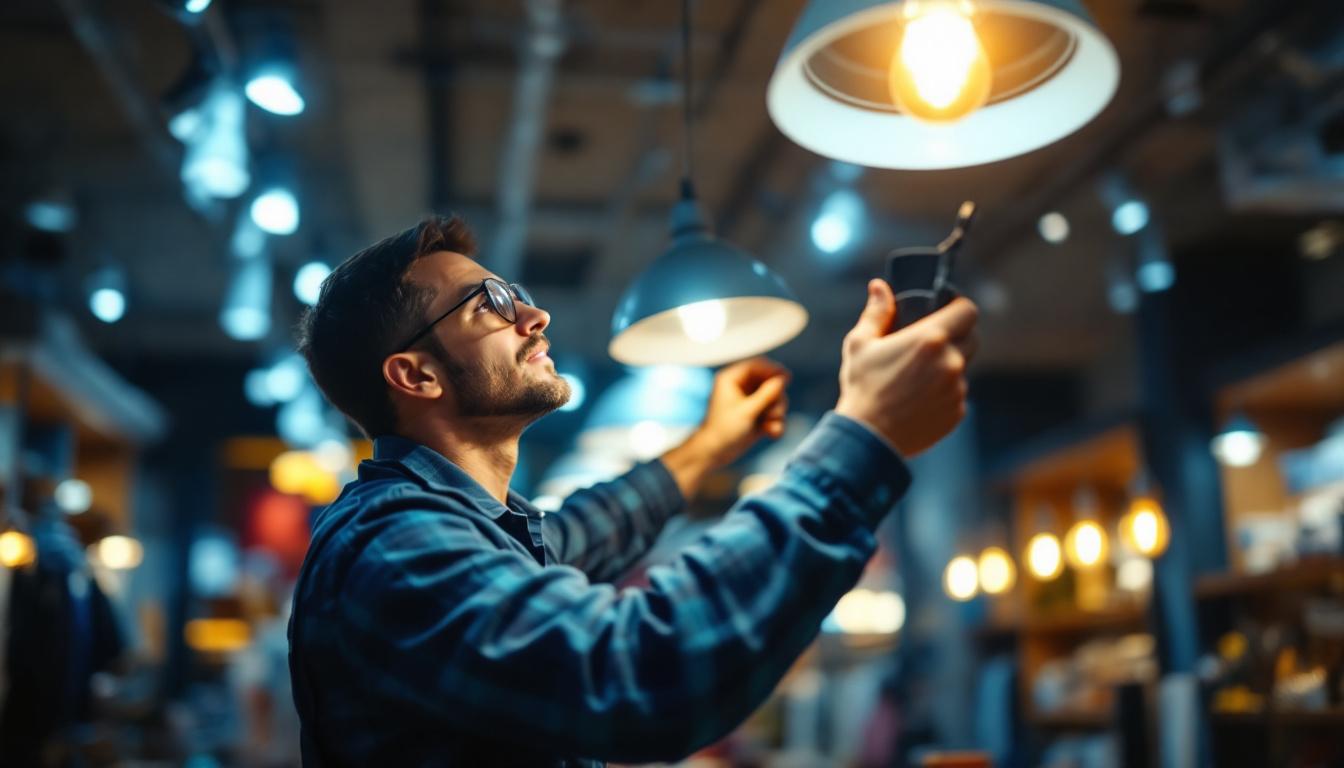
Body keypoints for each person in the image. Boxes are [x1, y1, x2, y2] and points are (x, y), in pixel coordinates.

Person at [288, 214, 978, 767]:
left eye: (517, 296)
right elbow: (631, 677)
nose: (535, 317)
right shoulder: (391, 543)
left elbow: (589, 528)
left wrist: (712, 445)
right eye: (489, 305)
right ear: (416, 376)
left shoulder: (472, 526)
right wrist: (863, 437)